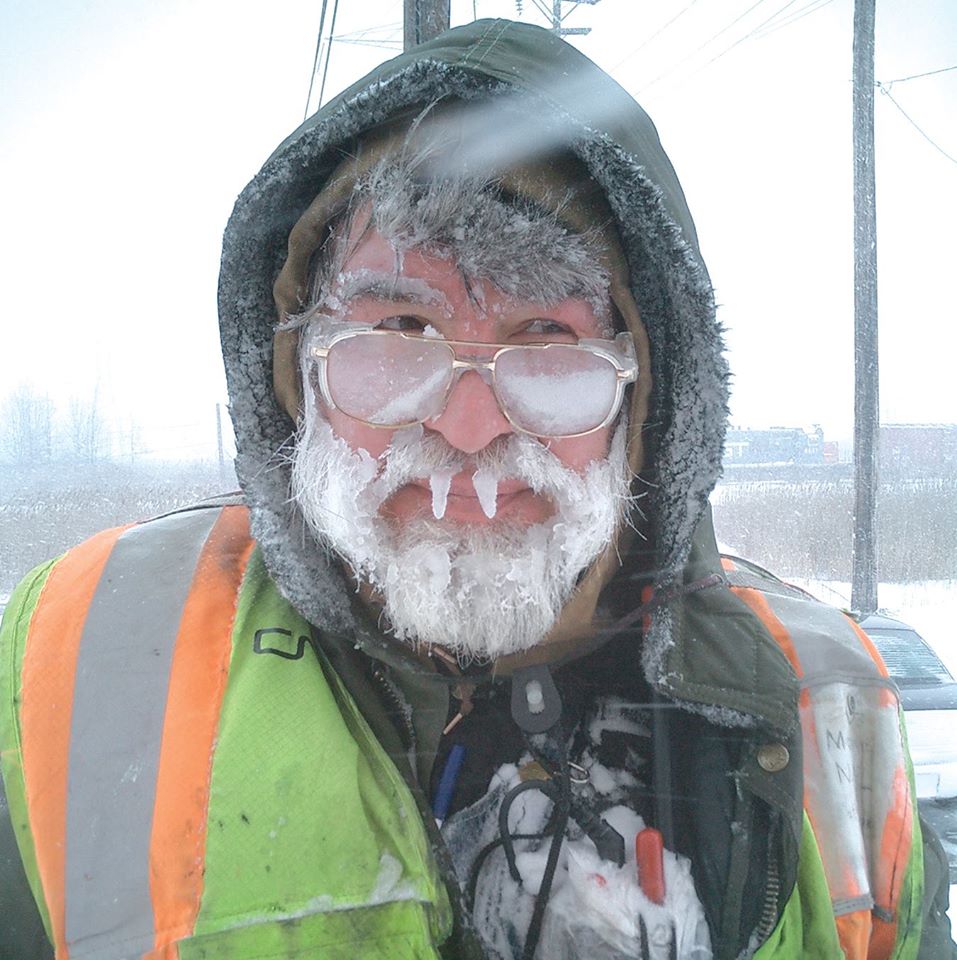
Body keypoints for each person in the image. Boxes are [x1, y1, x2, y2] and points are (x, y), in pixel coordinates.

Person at [0, 17, 953, 960]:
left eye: (549, 350)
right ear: (297, 374)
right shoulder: (85, 648)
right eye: (399, 337)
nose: (466, 428)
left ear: (650, 399)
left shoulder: (825, 694)